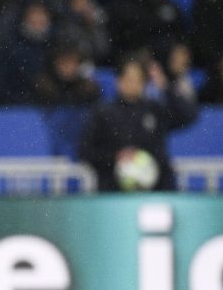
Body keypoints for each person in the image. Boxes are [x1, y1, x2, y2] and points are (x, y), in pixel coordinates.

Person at [78, 56, 198, 192]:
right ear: (119, 81)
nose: (133, 83)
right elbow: (85, 152)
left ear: (144, 83)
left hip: (156, 190)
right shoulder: (103, 113)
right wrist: (115, 157)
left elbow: (188, 116)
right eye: (129, 78)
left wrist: (166, 87)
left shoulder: (155, 110)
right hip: (114, 191)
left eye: (138, 79)